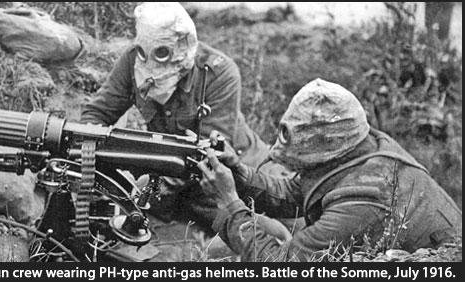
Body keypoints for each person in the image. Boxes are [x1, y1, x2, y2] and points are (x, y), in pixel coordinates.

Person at [80, 2, 292, 261]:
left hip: (230, 173)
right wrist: (94, 162)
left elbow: (209, 156)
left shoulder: (219, 73)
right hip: (172, 175)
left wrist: (147, 188)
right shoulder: (132, 61)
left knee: (282, 232)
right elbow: (97, 114)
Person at [198, 78, 462, 261]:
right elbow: (297, 191)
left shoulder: (365, 197)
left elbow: (278, 266)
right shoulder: (362, 145)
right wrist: (239, 174)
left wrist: (229, 202)